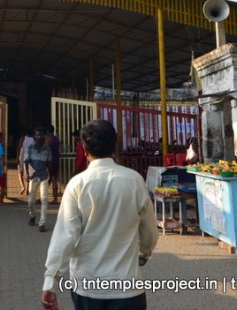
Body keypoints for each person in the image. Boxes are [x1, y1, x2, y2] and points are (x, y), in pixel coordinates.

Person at [40, 120, 158, 310]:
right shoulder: (134, 180)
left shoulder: (77, 184)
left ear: (84, 149)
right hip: (127, 287)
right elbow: (150, 231)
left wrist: (50, 281)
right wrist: (143, 253)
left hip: (87, 287)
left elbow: (65, 237)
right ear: (115, 147)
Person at [25, 126, 51, 232]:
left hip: (44, 176)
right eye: (37, 135)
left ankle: (42, 223)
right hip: (33, 177)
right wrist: (26, 174)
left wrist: (51, 178)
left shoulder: (48, 149)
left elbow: (49, 164)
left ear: (44, 136)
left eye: (41, 135)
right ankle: (32, 216)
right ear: (34, 136)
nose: (39, 137)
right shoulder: (29, 148)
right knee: (31, 201)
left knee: (44, 199)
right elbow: (26, 162)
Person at [46, 125, 61, 203]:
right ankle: (55, 198)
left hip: (50, 161)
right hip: (56, 160)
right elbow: (59, 150)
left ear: (48, 131)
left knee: (50, 179)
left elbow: (46, 150)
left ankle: (54, 199)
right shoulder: (57, 139)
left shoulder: (49, 139)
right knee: (53, 179)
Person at [17, 129, 34, 195]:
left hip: (22, 156)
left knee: (20, 172)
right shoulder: (33, 139)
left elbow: (19, 148)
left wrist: (17, 157)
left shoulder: (23, 138)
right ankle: (27, 189)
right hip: (30, 157)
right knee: (28, 173)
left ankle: (22, 187)